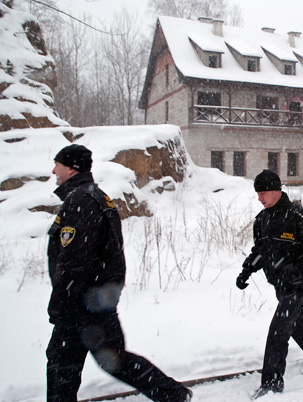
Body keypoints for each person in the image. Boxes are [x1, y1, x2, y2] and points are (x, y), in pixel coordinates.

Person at [46, 144, 192, 402]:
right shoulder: (94, 197)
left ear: (71, 168)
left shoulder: (81, 200)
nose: (54, 169)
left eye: (58, 164)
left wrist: (61, 301)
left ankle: (173, 394)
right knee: (69, 363)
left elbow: (75, 261)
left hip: (83, 302)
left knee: (80, 362)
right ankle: (172, 394)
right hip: (91, 299)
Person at [236, 170, 303, 399]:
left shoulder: (298, 217)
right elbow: (260, 251)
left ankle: (272, 383)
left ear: (276, 190)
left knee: (279, 330)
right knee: (295, 324)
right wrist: (246, 271)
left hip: (300, 283)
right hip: (280, 283)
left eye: (263, 193)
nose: (259, 198)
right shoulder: (262, 220)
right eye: (257, 193)